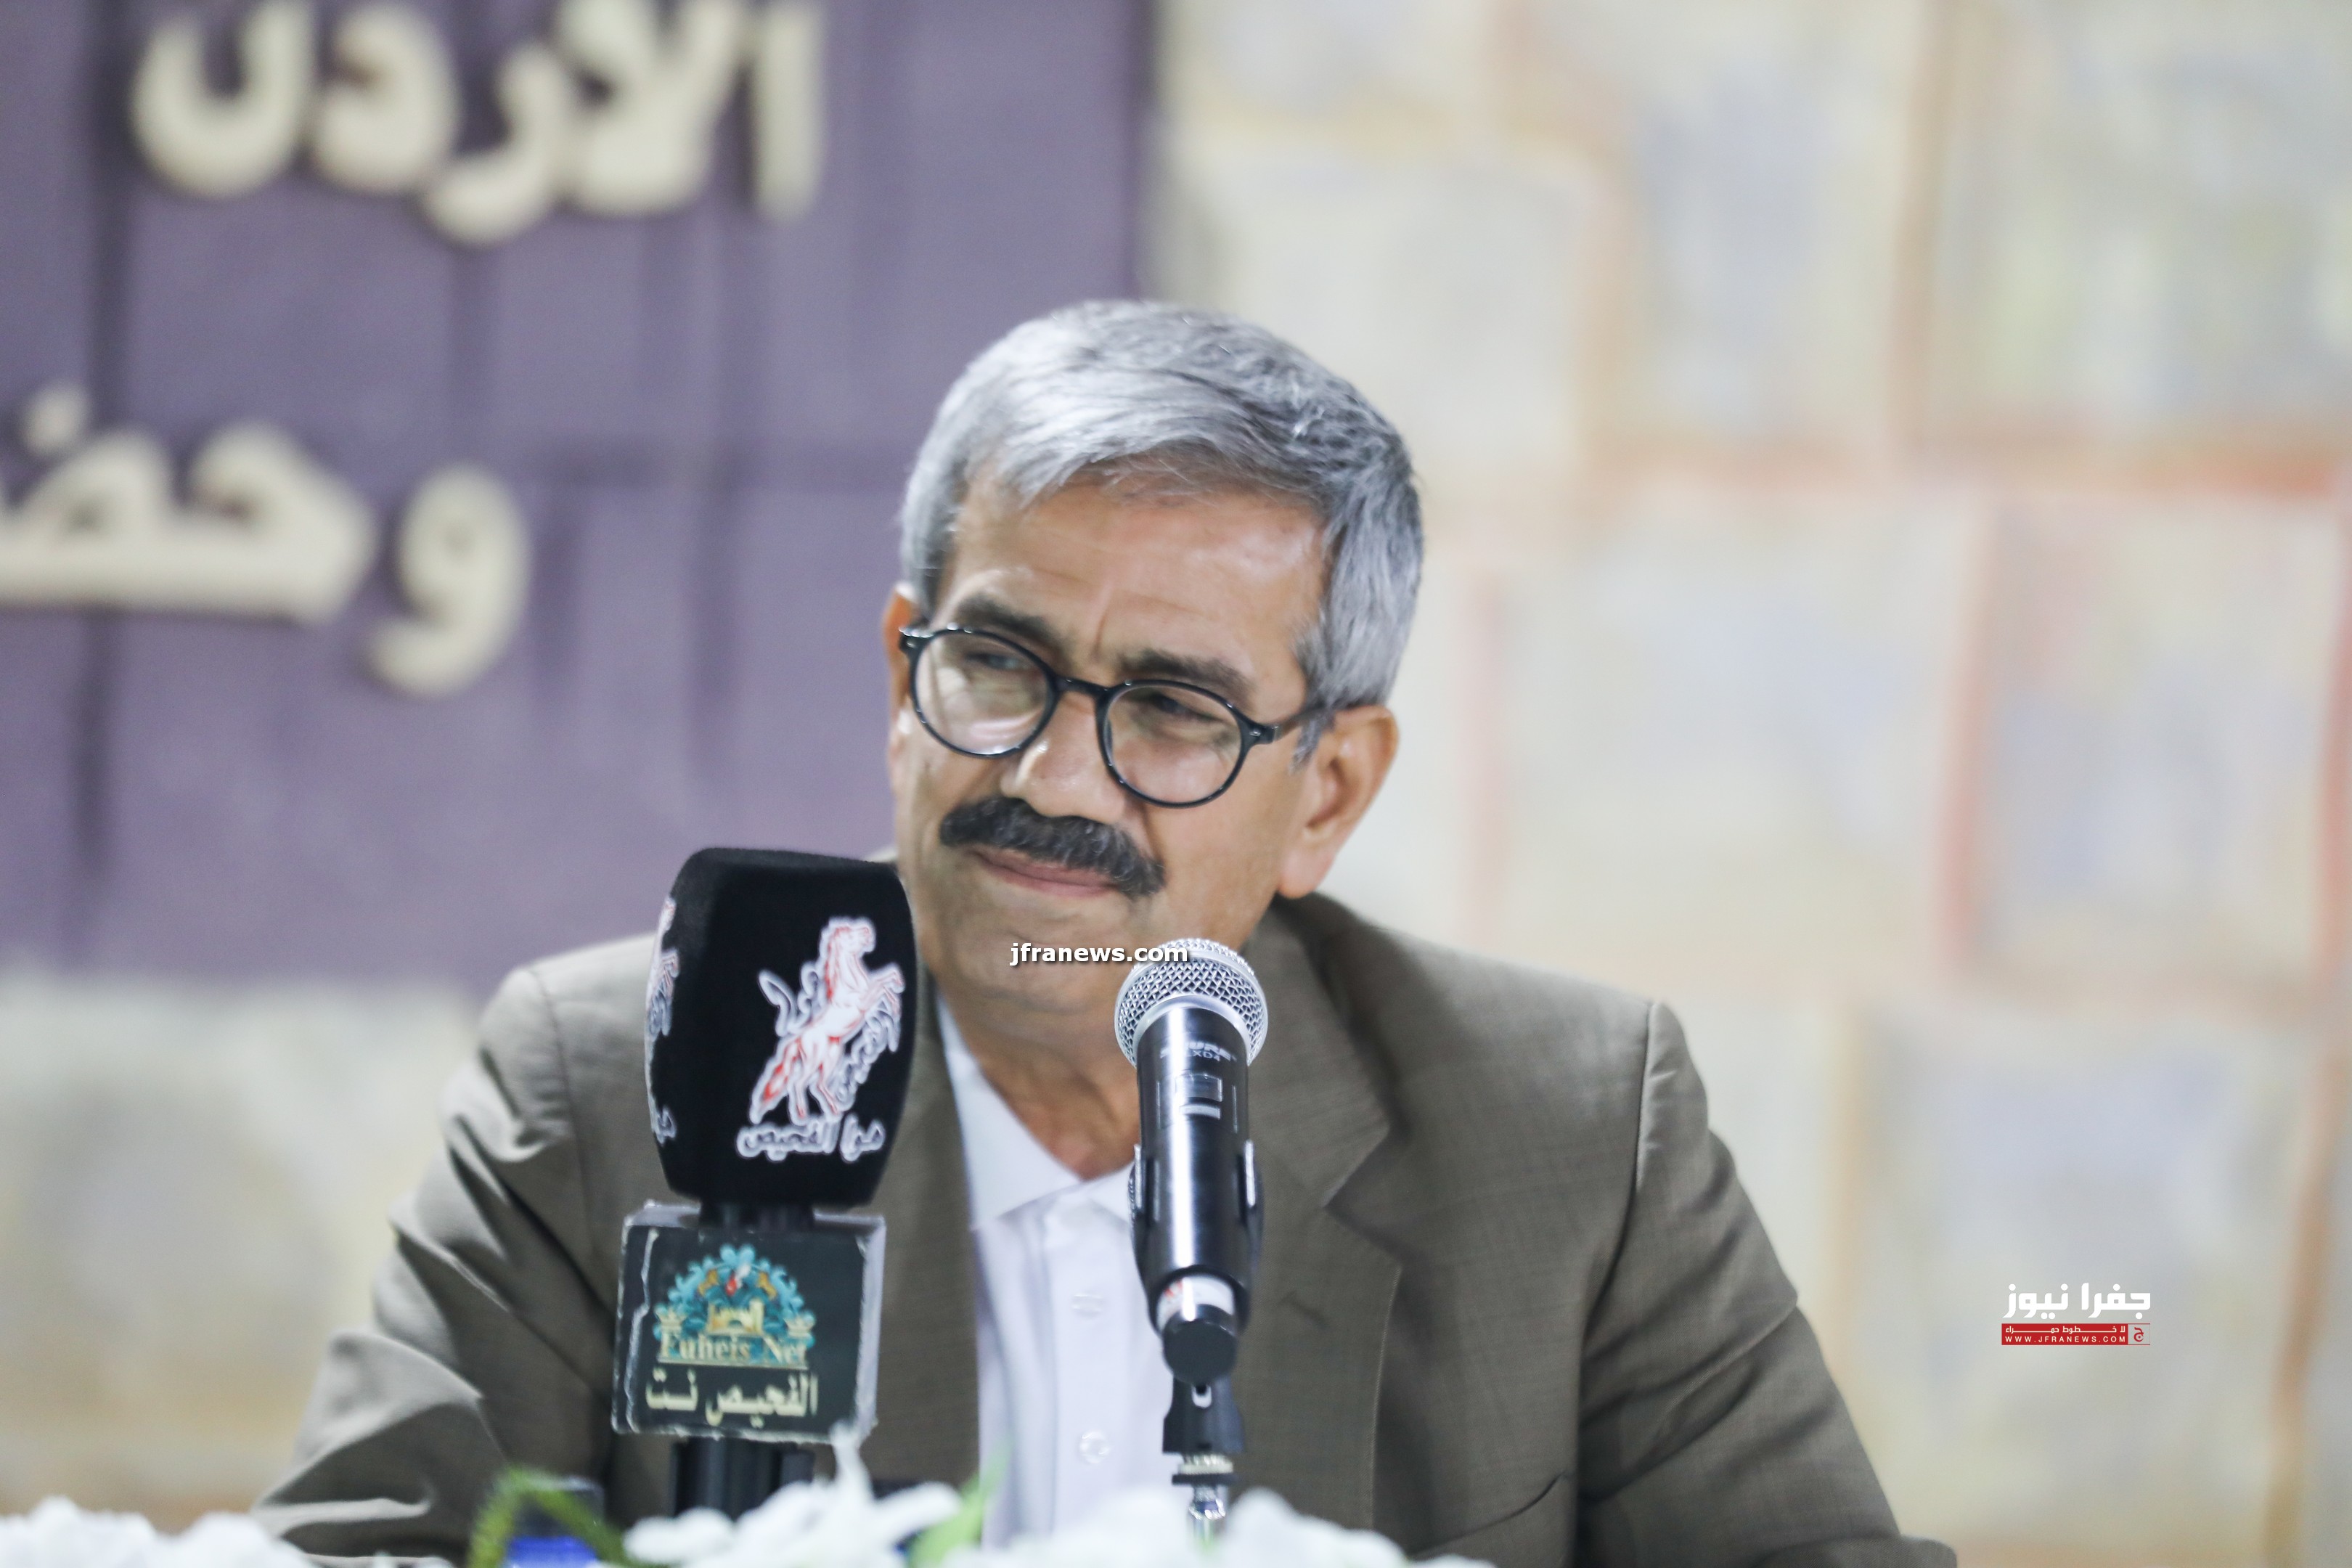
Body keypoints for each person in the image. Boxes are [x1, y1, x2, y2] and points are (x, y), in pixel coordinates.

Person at [257, 303, 1951, 1568]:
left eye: (1173, 709)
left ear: (1328, 793)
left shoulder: (1570, 1137)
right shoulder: (617, 1085)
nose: (1053, 776)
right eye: (998, 666)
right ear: (904, 675)